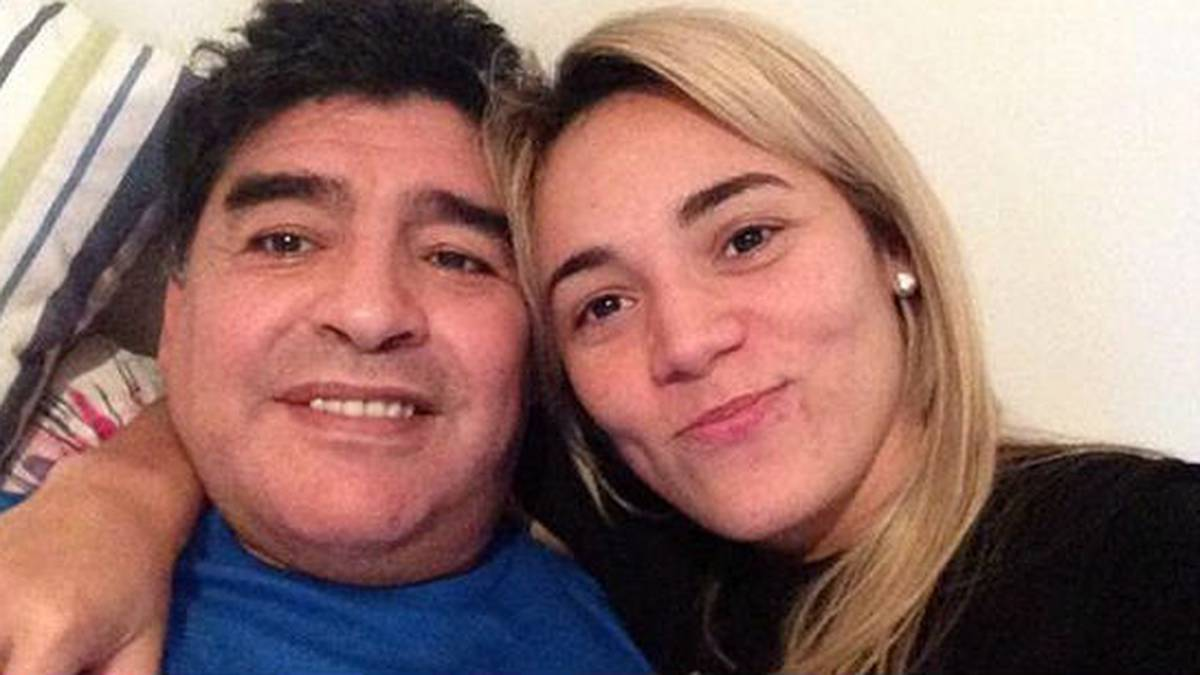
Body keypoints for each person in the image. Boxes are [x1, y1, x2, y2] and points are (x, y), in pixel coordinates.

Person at [2, 6, 1199, 675]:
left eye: (744, 239)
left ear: (893, 242)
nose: (687, 341)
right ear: (177, 315)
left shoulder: (1140, 559)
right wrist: (108, 497)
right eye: (603, 304)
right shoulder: (654, 527)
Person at [0, 1, 654, 673]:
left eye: (456, 258)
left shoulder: (636, 628)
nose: (369, 314)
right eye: (284, 242)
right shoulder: (27, 568)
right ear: (176, 316)